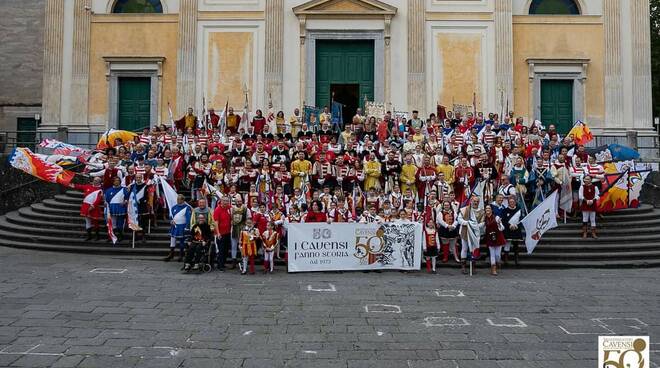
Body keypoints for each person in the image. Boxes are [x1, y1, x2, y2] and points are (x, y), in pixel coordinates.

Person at [71, 177, 104, 241]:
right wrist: (70, 184)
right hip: (86, 206)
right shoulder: (88, 186)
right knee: (87, 221)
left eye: (97, 180)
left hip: (94, 207)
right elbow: (79, 186)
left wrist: (93, 206)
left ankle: (97, 236)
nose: (95, 181)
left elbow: (98, 199)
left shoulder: (101, 189)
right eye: (94, 180)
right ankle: (89, 236)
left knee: (95, 222)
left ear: (100, 182)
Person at [458, 196, 484, 275]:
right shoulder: (464, 209)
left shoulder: (481, 212)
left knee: (474, 249)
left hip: (475, 233)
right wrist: (467, 223)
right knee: (465, 248)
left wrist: (474, 226)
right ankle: (463, 267)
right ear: (471, 201)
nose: (475, 203)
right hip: (465, 232)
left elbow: (483, 223)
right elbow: (459, 219)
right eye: (474, 201)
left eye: (477, 201)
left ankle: (473, 266)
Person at [165, 194, 192, 262]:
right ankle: (171, 254)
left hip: (182, 226)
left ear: (183, 200)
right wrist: (171, 221)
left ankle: (181, 255)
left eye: (179, 199)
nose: (178, 200)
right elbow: (171, 216)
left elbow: (188, 218)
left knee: (181, 241)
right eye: (177, 199)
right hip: (174, 226)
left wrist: (187, 227)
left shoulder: (187, 208)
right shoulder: (174, 207)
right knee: (172, 239)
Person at [483, 204, 506, 276]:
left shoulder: (496, 217)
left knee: (497, 255)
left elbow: (502, 228)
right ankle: (493, 269)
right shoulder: (484, 218)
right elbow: (483, 228)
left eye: (489, 208)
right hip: (490, 237)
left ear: (492, 210)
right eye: (486, 208)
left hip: (498, 237)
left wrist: (499, 224)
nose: (487, 210)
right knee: (492, 254)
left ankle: (498, 262)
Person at [500, 196, 522, 265]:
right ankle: (506, 259)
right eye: (510, 202)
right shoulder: (505, 210)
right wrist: (509, 225)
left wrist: (517, 225)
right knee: (507, 244)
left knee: (516, 245)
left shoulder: (519, 210)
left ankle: (516, 259)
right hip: (508, 230)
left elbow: (521, 220)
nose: (512, 203)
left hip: (516, 229)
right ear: (508, 203)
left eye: (513, 202)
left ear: (515, 202)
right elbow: (503, 220)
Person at [213, 196, 232, 271]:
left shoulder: (229, 208)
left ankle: (223, 263)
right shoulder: (217, 210)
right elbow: (216, 222)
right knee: (221, 250)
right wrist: (218, 233)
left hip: (228, 232)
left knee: (226, 249)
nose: (225, 202)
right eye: (224, 201)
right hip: (220, 233)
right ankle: (220, 265)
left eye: (227, 201)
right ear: (221, 201)